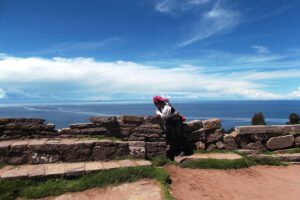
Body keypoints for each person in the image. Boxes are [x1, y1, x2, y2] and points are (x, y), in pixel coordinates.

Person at [153, 96, 186, 160]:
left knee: (179, 135)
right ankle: (172, 152)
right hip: (169, 121)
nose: (156, 105)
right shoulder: (158, 109)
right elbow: (161, 116)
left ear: (161, 102)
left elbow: (163, 116)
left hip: (176, 120)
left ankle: (182, 151)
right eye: (155, 104)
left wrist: (158, 115)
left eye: (157, 103)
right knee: (170, 135)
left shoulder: (167, 106)